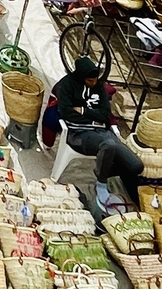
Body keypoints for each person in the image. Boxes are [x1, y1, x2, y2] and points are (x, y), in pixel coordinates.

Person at [42, 57, 143, 209]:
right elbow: (68, 114)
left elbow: (105, 114)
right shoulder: (66, 86)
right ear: (81, 77)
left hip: (102, 131)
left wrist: (83, 110)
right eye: (89, 80)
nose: (93, 83)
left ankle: (104, 169)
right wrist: (92, 116)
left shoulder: (99, 86)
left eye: (95, 80)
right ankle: (101, 183)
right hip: (78, 134)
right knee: (108, 145)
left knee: (136, 166)